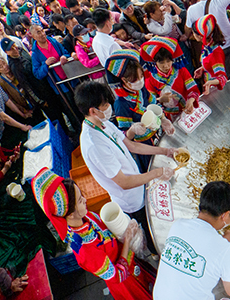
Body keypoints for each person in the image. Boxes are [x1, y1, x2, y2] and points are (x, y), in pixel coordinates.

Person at [31, 168, 174, 300]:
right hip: (127, 283)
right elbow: (117, 276)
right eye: (81, 200)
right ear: (70, 214)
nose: (86, 200)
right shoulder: (86, 251)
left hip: (132, 265)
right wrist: (128, 240)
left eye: (82, 195)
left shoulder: (87, 217)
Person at [75, 80, 178, 254]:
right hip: (131, 199)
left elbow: (132, 145)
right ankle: (158, 255)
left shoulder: (104, 124)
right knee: (151, 234)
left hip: (139, 185)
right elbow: (124, 182)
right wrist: (157, 173)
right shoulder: (93, 144)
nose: (109, 107)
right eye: (105, 105)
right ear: (92, 111)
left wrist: (165, 151)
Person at [187, 0, 230, 78]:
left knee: (216, 75)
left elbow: (189, 28)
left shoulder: (191, 9)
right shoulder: (218, 2)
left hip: (209, 49)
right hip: (226, 45)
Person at [140, 37, 200, 121]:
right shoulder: (150, 79)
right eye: (161, 62)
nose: (166, 66)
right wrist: (160, 100)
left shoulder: (181, 70)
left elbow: (193, 89)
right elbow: (151, 103)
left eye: (168, 61)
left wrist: (190, 100)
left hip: (189, 109)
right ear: (154, 62)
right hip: (170, 116)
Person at [190, 15, 229, 96]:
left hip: (217, 92)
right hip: (210, 88)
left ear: (200, 36)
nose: (192, 34)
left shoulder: (215, 53)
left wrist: (210, 82)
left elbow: (223, 78)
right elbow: (210, 63)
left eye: (193, 32)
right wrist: (203, 68)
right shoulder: (206, 46)